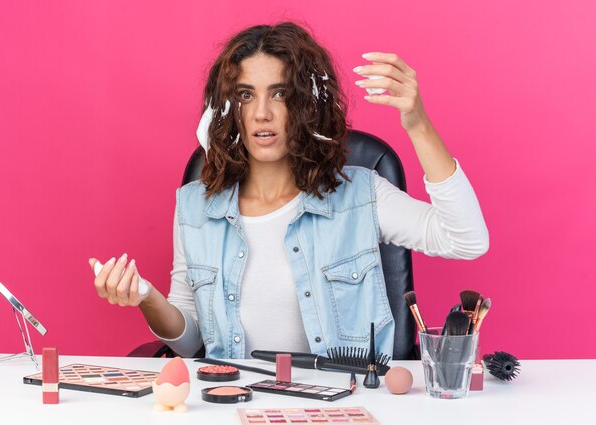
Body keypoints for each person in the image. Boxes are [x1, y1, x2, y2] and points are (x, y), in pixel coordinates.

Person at [89, 22, 488, 359]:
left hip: (345, 407)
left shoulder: (362, 195)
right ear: (228, 109)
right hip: (234, 404)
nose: (262, 112)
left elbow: (467, 240)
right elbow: (191, 342)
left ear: (307, 104)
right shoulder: (194, 206)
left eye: (280, 93)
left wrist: (417, 123)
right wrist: (145, 296)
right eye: (246, 95)